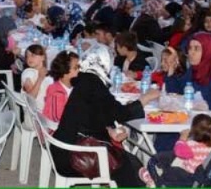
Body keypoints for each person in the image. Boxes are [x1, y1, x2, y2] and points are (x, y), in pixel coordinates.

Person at [51, 45, 160, 187]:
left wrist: (109, 130)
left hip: (62, 151)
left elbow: (92, 116)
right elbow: (121, 114)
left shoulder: (83, 83)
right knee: (125, 164)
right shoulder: (93, 83)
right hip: (75, 157)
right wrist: (144, 98)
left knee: (128, 159)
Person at [140, 114, 211, 187]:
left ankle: (154, 181)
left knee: (172, 167)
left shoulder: (192, 146)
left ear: (194, 132)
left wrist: (182, 137)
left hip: (188, 175)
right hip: (203, 176)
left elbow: (178, 151)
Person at [43, 50, 79, 127]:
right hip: (58, 132)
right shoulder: (56, 92)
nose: (79, 70)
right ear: (65, 71)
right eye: (76, 68)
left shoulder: (73, 87)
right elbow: (57, 117)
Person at [21, 44, 52, 112]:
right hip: (37, 115)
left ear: (43, 57)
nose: (29, 59)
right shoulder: (28, 73)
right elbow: (31, 98)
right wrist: (40, 78)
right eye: (27, 56)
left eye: (33, 55)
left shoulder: (47, 73)